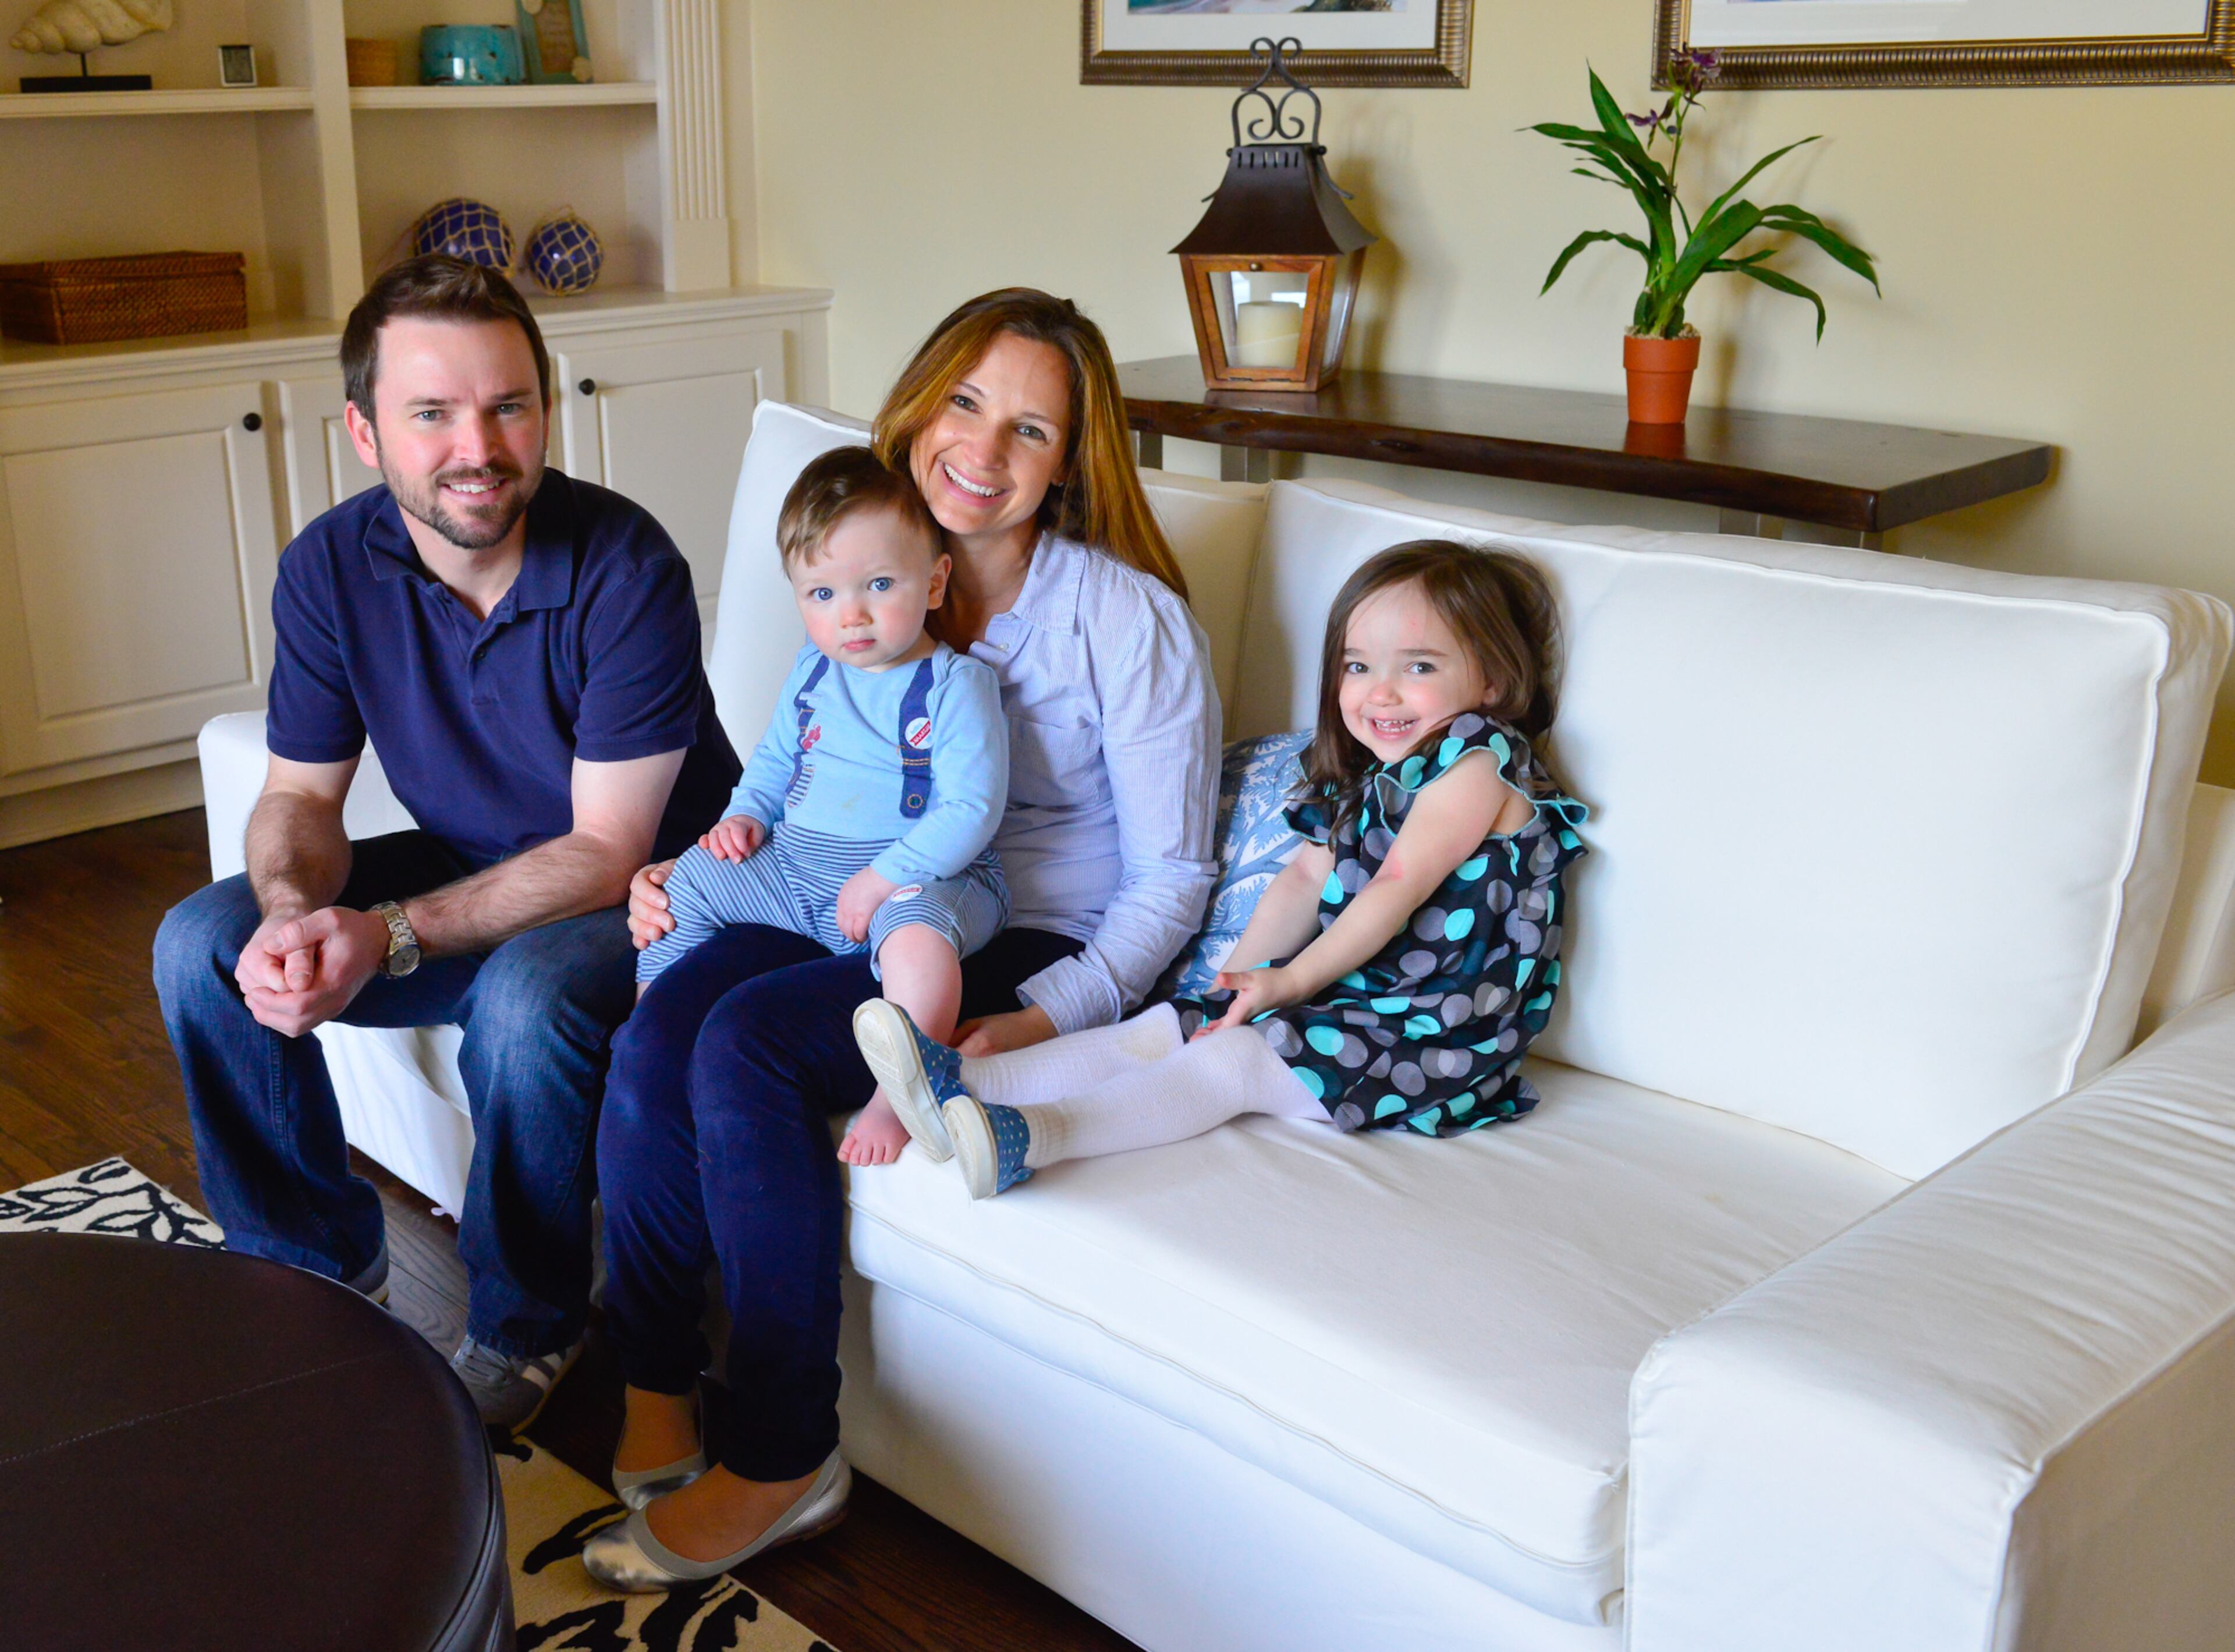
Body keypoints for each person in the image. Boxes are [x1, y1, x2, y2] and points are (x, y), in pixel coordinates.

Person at [581, 289, 1220, 1590]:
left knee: (750, 1045)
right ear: (921, 405)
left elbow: (1173, 882)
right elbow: (792, 781)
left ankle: (782, 1457)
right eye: (968, 404)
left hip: (1019, 926)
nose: (985, 452)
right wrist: (687, 876)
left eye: (1032, 431)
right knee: (662, 1025)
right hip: (847, 896)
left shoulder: (1127, 618)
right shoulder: (859, 575)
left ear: (1073, 462)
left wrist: (1048, 1015)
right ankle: (655, 1381)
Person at [152, 255, 737, 1431]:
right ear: (367, 431)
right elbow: (301, 803)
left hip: (673, 900)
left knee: (527, 995)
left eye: (508, 405)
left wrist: (388, 934)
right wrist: (287, 916)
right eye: (433, 413)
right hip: (487, 871)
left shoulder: (624, 567)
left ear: (545, 409)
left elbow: (608, 848)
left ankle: (532, 1328)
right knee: (201, 944)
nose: (479, 444)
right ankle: (314, 1275)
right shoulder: (329, 567)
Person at [858, 540, 1588, 1196]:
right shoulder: (1368, 776)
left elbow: (1399, 884)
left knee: (1234, 1060)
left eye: (1419, 666)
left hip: (1438, 1036)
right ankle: (964, 1086)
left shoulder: (1478, 757)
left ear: (1492, 680)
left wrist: (1291, 981)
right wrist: (1236, 979)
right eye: (1359, 666)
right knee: (1167, 1027)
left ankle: (1037, 1138)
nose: (1380, 692)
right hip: (1357, 1002)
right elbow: (1302, 881)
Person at [636, 445, 1009, 1167]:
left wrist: (883, 878)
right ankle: (652, 1011)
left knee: (919, 938)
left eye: (878, 584)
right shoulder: (814, 668)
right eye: (822, 595)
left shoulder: (957, 685)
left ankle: (902, 1090)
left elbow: (971, 809)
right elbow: (777, 761)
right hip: (803, 868)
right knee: (689, 880)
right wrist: (746, 815)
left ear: (935, 583)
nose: (853, 616)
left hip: (925, 871)